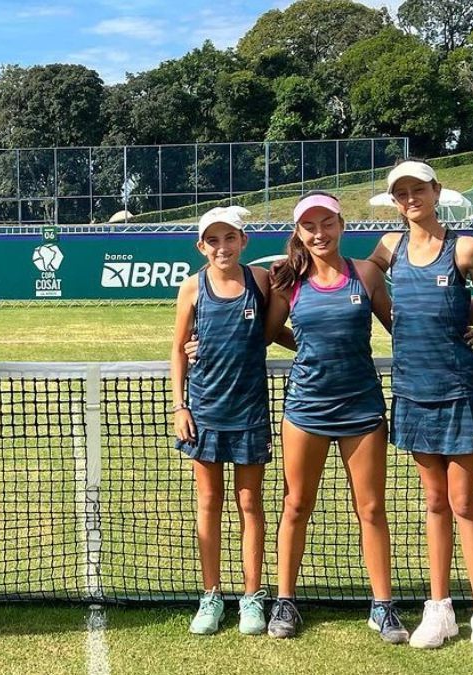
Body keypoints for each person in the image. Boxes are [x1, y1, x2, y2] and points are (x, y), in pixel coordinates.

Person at [365, 161, 473, 662]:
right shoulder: (388, 247)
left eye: (418, 189)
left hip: (459, 390)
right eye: (401, 192)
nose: (410, 198)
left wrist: (459, 319)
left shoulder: (465, 249)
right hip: (412, 390)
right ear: (395, 200)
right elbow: (356, 282)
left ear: (436, 191)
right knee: (434, 502)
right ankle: (439, 608)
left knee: (464, 502)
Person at [263, 191, 408, 644]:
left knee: (371, 508)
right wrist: (198, 343)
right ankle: (285, 600)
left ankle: (382, 606)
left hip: (362, 409)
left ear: (342, 226)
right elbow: (265, 333)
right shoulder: (287, 281)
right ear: (299, 233)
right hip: (305, 409)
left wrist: (455, 333)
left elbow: (401, 327)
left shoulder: (366, 275)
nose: (319, 233)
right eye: (310, 227)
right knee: (296, 505)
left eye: (327, 224)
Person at [170, 206, 273, 635]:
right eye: (213, 240)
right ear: (201, 246)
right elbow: (178, 349)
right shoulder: (192, 287)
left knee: (250, 504)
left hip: (250, 413)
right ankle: (210, 595)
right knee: (209, 503)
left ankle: (252, 597)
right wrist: (180, 406)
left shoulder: (262, 281)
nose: (222, 247)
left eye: (230, 238)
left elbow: (275, 330)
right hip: (205, 413)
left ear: (243, 241)